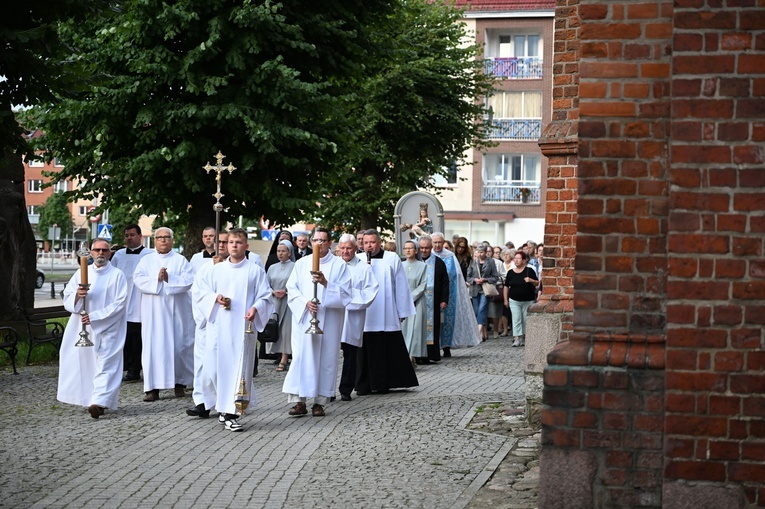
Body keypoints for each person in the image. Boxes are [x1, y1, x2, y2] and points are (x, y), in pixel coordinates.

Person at [200, 228, 274, 431]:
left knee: (238, 369)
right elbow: (201, 292)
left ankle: (231, 413)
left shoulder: (254, 270)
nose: (233, 245)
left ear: (246, 246)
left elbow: (265, 296)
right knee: (216, 369)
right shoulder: (216, 270)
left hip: (243, 328)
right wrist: (215, 299)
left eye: (238, 242)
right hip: (220, 328)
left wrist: (255, 308)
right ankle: (223, 408)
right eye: (230, 242)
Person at [283, 227, 352, 417]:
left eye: (322, 240)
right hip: (305, 319)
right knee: (301, 359)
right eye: (315, 240)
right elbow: (292, 287)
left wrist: (325, 284)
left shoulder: (339, 265)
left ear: (330, 243)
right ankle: (298, 401)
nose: (318, 244)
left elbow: (346, 294)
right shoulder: (301, 263)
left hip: (329, 321)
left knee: (326, 360)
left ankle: (320, 402)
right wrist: (305, 303)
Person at [57, 238, 128, 419]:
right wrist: (77, 296)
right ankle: (91, 399)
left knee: (107, 363)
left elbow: (120, 303)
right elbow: (67, 297)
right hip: (83, 327)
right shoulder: (82, 273)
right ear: (91, 253)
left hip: (109, 326)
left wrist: (95, 317)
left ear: (110, 253)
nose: (101, 253)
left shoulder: (117, 275)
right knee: (87, 364)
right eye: (97, 250)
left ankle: (99, 402)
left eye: (104, 250)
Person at [133, 227, 195, 402]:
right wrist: (157, 279)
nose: (163, 240)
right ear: (154, 240)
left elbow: (189, 280)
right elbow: (138, 279)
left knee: (179, 346)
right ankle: (152, 388)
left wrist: (169, 279)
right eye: (160, 237)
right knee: (154, 348)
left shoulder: (181, 260)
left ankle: (180, 383)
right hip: (153, 313)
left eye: (167, 237)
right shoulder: (146, 261)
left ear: (172, 240)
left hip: (177, 314)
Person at [356, 229, 418, 395]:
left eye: (372, 242)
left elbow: (401, 286)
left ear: (379, 242)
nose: (369, 245)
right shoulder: (358, 259)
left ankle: (385, 382)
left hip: (386, 311)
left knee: (386, 347)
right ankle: (364, 384)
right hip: (365, 313)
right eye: (366, 242)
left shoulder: (391, 258)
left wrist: (402, 310)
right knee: (364, 350)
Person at [186, 232, 229, 419]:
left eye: (226, 242)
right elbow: (197, 294)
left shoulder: (242, 268)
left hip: (229, 324)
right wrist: (211, 304)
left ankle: (226, 402)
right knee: (203, 365)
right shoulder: (205, 269)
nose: (221, 245)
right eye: (219, 241)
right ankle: (202, 402)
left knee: (225, 365)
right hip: (208, 322)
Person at [337, 234, 378, 401]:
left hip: (352, 316)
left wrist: (346, 297)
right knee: (329, 354)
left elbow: (370, 292)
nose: (346, 251)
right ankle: (327, 390)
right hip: (334, 315)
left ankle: (346, 389)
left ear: (355, 248)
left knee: (350, 354)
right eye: (343, 248)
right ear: (338, 249)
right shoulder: (333, 266)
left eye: (349, 248)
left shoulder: (364, 268)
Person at [110, 224, 153, 382]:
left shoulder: (150, 255)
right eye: (127, 235)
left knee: (138, 338)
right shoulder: (119, 255)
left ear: (140, 236)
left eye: (132, 235)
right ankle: (126, 367)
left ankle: (137, 368)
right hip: (122, 301)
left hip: (141, 302)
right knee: (124, 338)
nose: (129, 238)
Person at [431, 232, 480, 356]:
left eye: (439, 242)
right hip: (431, 293)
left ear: (443, 243)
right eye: (435, 242)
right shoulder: (428, 255)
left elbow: (457, 274)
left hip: (449, 293)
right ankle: (433, 347)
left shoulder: (450, 256)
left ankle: (446, 346)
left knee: (446, 321)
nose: (437, 245)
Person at [418, 235, 449, 364]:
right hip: (418, 300)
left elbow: (445, 282)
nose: (424, 250)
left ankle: (432, 354)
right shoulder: (415, 261)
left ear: (431, 248)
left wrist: (444, 299)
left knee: (433, 327)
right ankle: (418, 354)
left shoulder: (438, 262)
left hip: (433, 300)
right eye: (422, 248)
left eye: (427, 248)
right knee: (418, 327)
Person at [267, 239, 295, 372]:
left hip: (288, 302)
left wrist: (286, 291)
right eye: (279, 251)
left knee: (286, 331)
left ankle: (284, 358)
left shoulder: (295, 266)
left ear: (289, 253)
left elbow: (298, 285)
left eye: (283, 251)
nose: (280, 253)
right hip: (274, 302)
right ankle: (277, 355)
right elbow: (266, 285)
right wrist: (273, 292)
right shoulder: (272, 267)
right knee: (275, 328)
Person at [503, 250, 539, 347]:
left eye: (518, 259)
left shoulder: (529, 271)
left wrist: (530, 280)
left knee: (525, 319)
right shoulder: (510, 272)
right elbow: (506, 287)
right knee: (516, 318)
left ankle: (524, 337)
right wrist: (505, 299)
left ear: (524, 260)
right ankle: (517, 338)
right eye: (515, 259)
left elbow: (537, 283)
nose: (516, 260)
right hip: (514, 299)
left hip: (528, 300)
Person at [401, 240, 428, 366]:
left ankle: (412, 355)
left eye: (410, 248)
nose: (407, 250)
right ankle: (405, 355)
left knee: (415, 329)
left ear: (416, 250)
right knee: (404, 328)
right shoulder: (400, 265)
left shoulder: (422, 266)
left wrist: (411, 298)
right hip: (403, 300)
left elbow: (423, 285)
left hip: (417, 300)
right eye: (405, 248)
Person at [467, 243, 499, 341]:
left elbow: (495, 277)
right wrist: (475, 280)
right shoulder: (473, 262)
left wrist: (485, 279)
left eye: (482, 252)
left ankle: (478, 330)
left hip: (485, 290)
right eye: (478, 252)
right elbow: (468, 277)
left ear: (486, 252)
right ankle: (482, 333)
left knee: (482, 308)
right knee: (477, 311)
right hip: (475, 289)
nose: (480, 254)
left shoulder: (491, 262)